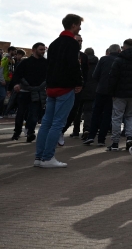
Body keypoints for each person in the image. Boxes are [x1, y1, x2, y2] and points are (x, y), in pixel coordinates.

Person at [33, 15, 84, 167]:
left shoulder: (54, 43)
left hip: (52, 86)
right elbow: (74, 66)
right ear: (74, 25)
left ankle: (39, 157)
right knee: (57, 123)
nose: (80, 28)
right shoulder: (72, 44)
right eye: (79, 25)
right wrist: (79, 82)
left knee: (47, 123)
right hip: (65, 87)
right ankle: (48, 157)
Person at [105, 38, 132, 152]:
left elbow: (112, 77)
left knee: (117, 117)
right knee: (131, 116)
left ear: (124, 46)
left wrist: (111, 92)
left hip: (119, 93)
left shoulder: (119, 60)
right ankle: (129, 137)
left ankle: (115, 142)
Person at [83, 44, 119, 145]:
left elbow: (95, 75)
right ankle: (101, 139)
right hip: (113, 92)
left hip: (100, 89)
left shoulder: (103, 59)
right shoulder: (119, 60)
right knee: (107, 115)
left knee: (96, 113)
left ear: (109, 51)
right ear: (119, 50)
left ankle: (91, 135)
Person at [10, 42, 46, 142]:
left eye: (44, 50)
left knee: (34, 114)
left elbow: (49, 76)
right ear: (34, 50)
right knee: (20, 113)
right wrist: (16, 84)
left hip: (37, 92)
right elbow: (17, 74)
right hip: (24, 91)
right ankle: (17, 132)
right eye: (41, 49)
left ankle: (30, 132)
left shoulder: (46, 63)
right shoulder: (25, 62)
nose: (43, 52)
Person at [72, 47, 99, 138]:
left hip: (80, 88)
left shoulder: (81, 62)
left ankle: (76, 131)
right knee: (88, 111)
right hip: (92, 90)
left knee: (77, 111)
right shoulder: (97, 63)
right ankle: (87, 129)